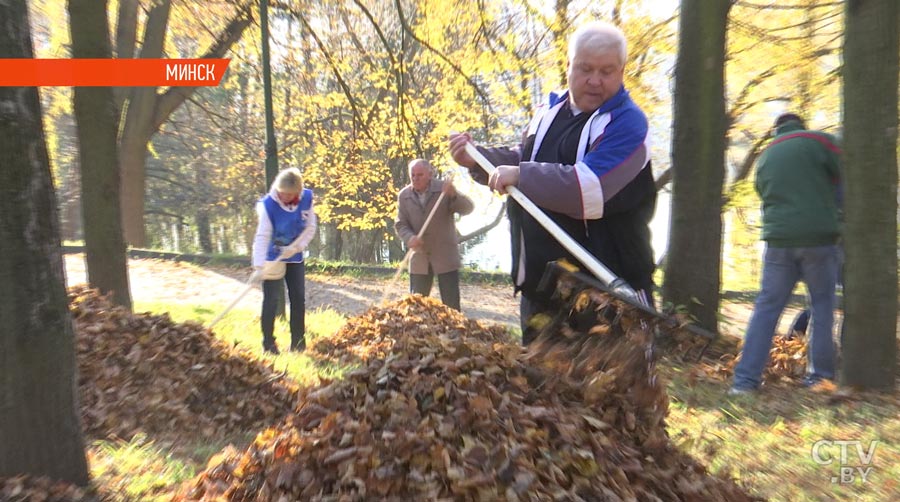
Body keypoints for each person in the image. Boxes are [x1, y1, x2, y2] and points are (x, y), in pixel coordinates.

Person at [448, 21, 656, 343]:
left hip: (605, 295)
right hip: (542, 287)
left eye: (607, 71)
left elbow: (589, 189)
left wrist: (522, 175)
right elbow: (525, 157)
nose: (595, 81)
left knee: (607, 391)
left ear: (622, 71)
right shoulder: (548, 111)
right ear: (569, 66)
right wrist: (478, 159)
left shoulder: (628, 125)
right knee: (537, 385)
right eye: (585, 69)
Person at [730, 113, 841, 394]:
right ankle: (819, 377)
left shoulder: (767, 154)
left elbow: (763, 192)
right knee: (822, 306)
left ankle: (744, 382)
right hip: (819, 238)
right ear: (800, 125)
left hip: (779, 241)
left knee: (766, 309)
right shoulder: (821, 141)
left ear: (776, 129)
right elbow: (846, 177)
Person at [251, 167, 317, 354]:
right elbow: (262, 235)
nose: (284, 197)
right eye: (281, 193)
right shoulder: (268, 206)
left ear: (297, 192)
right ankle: (268, 344)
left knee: (298, 298)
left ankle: (298, 342)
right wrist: (259, 265)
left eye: (288, 194)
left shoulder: (306, 199)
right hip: (272, 257)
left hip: (294, 256)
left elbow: (310, 228)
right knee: (271, 299)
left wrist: (296, 247)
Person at [394, 159, 474, 311]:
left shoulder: (443, 190)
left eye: (420, 175)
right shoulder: (404, 196)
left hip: (445, 255)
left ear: (430, 174)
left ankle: (455, 332)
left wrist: (454, 195)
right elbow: (401, 224)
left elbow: (468, 208)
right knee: (417, 305)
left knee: (451, 305)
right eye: (413, 175)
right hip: (420, 257)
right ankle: (418, 333)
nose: (416, 179)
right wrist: (409, 237)